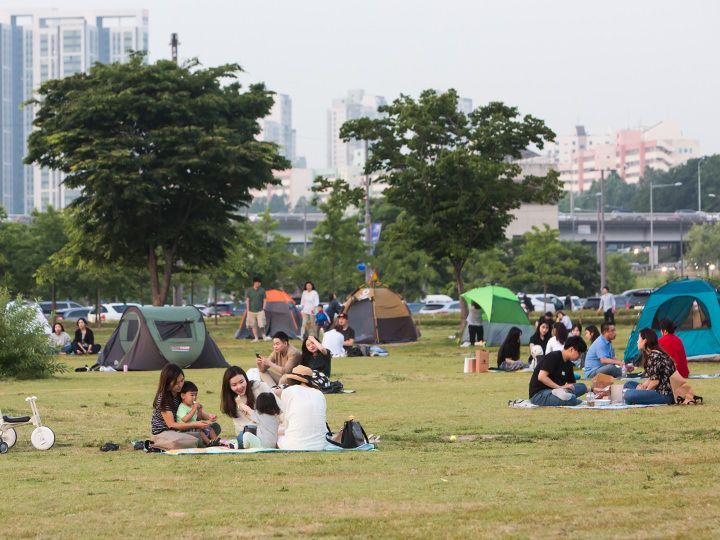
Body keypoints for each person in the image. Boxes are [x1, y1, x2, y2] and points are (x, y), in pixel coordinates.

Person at [149, 364, 209, 450]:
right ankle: (158, 443)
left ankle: (197, 440)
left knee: (213, 428)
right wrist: (195, 424)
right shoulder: (163, 398)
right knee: (194, 439)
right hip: (162, 433)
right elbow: (171, 424)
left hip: (178, 431)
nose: (181, 385)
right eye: (176, 383)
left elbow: (189, 410)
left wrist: (208, 417)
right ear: (167, 382)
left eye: (182, 381)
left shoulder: (179, 393)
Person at [277, 365, 328, 450]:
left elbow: (286, 423)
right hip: (321, 445)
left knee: (275, 434)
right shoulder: (319, 393)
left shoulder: (288, 391)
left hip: (294, 445)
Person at [528, 336, 588, 406]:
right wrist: (559, 387)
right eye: (579, 353)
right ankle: (568, 398)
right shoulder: (553, 356)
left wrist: (592, 390)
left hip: (558, 390)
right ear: (571, 349)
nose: (580, 356)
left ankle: (563, 394)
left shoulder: (569, 364)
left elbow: (571, 385)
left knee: (583, 387)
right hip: (539, 394)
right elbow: (541, 377)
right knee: (572, 399)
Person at [623, 328, 677, 405]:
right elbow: (653, 377)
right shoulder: (654, 354)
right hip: (659, 390)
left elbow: (655, 382)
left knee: (628, 395)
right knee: (628, 384)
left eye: (639, 339)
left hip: (664, 394)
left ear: (645, 341)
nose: (637, 341)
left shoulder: (654, 356)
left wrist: (643, 391)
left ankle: (632, 397)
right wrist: (643, 385)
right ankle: (634, 395)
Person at [220, 366, 278, 435]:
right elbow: (239, 427)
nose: (239, 387)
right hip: (248, 433)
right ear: (229, 387)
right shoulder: (232, 400)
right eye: (234, 385)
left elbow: (277, 411)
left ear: (246, 379)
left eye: (241, 382)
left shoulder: (260, 387)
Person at [175, 381, 221, 446]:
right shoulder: (182, 407)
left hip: (195, 427)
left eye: (196, 395)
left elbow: (198, 418)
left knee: (209, 428)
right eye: (192, 395)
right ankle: (208, 443)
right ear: (183, 396)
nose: (194, 397)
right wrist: (194, 409)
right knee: (199, 432)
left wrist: (199, 410)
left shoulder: (192, 406)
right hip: (185, 430)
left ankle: (215, 440)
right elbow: (185, 419)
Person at [245, 276, 269, 342]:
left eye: (259, 283)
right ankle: (256, 338)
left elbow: (264, 300)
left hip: (260, 310)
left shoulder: (262, 290)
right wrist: (247, 310)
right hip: (251, 311)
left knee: (262, 324)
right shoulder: (249, 290)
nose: (259, 284)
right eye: (258, 283)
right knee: (253, 325)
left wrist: (264, 308)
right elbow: (247, 300)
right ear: (254, 283)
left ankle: (264, 336)